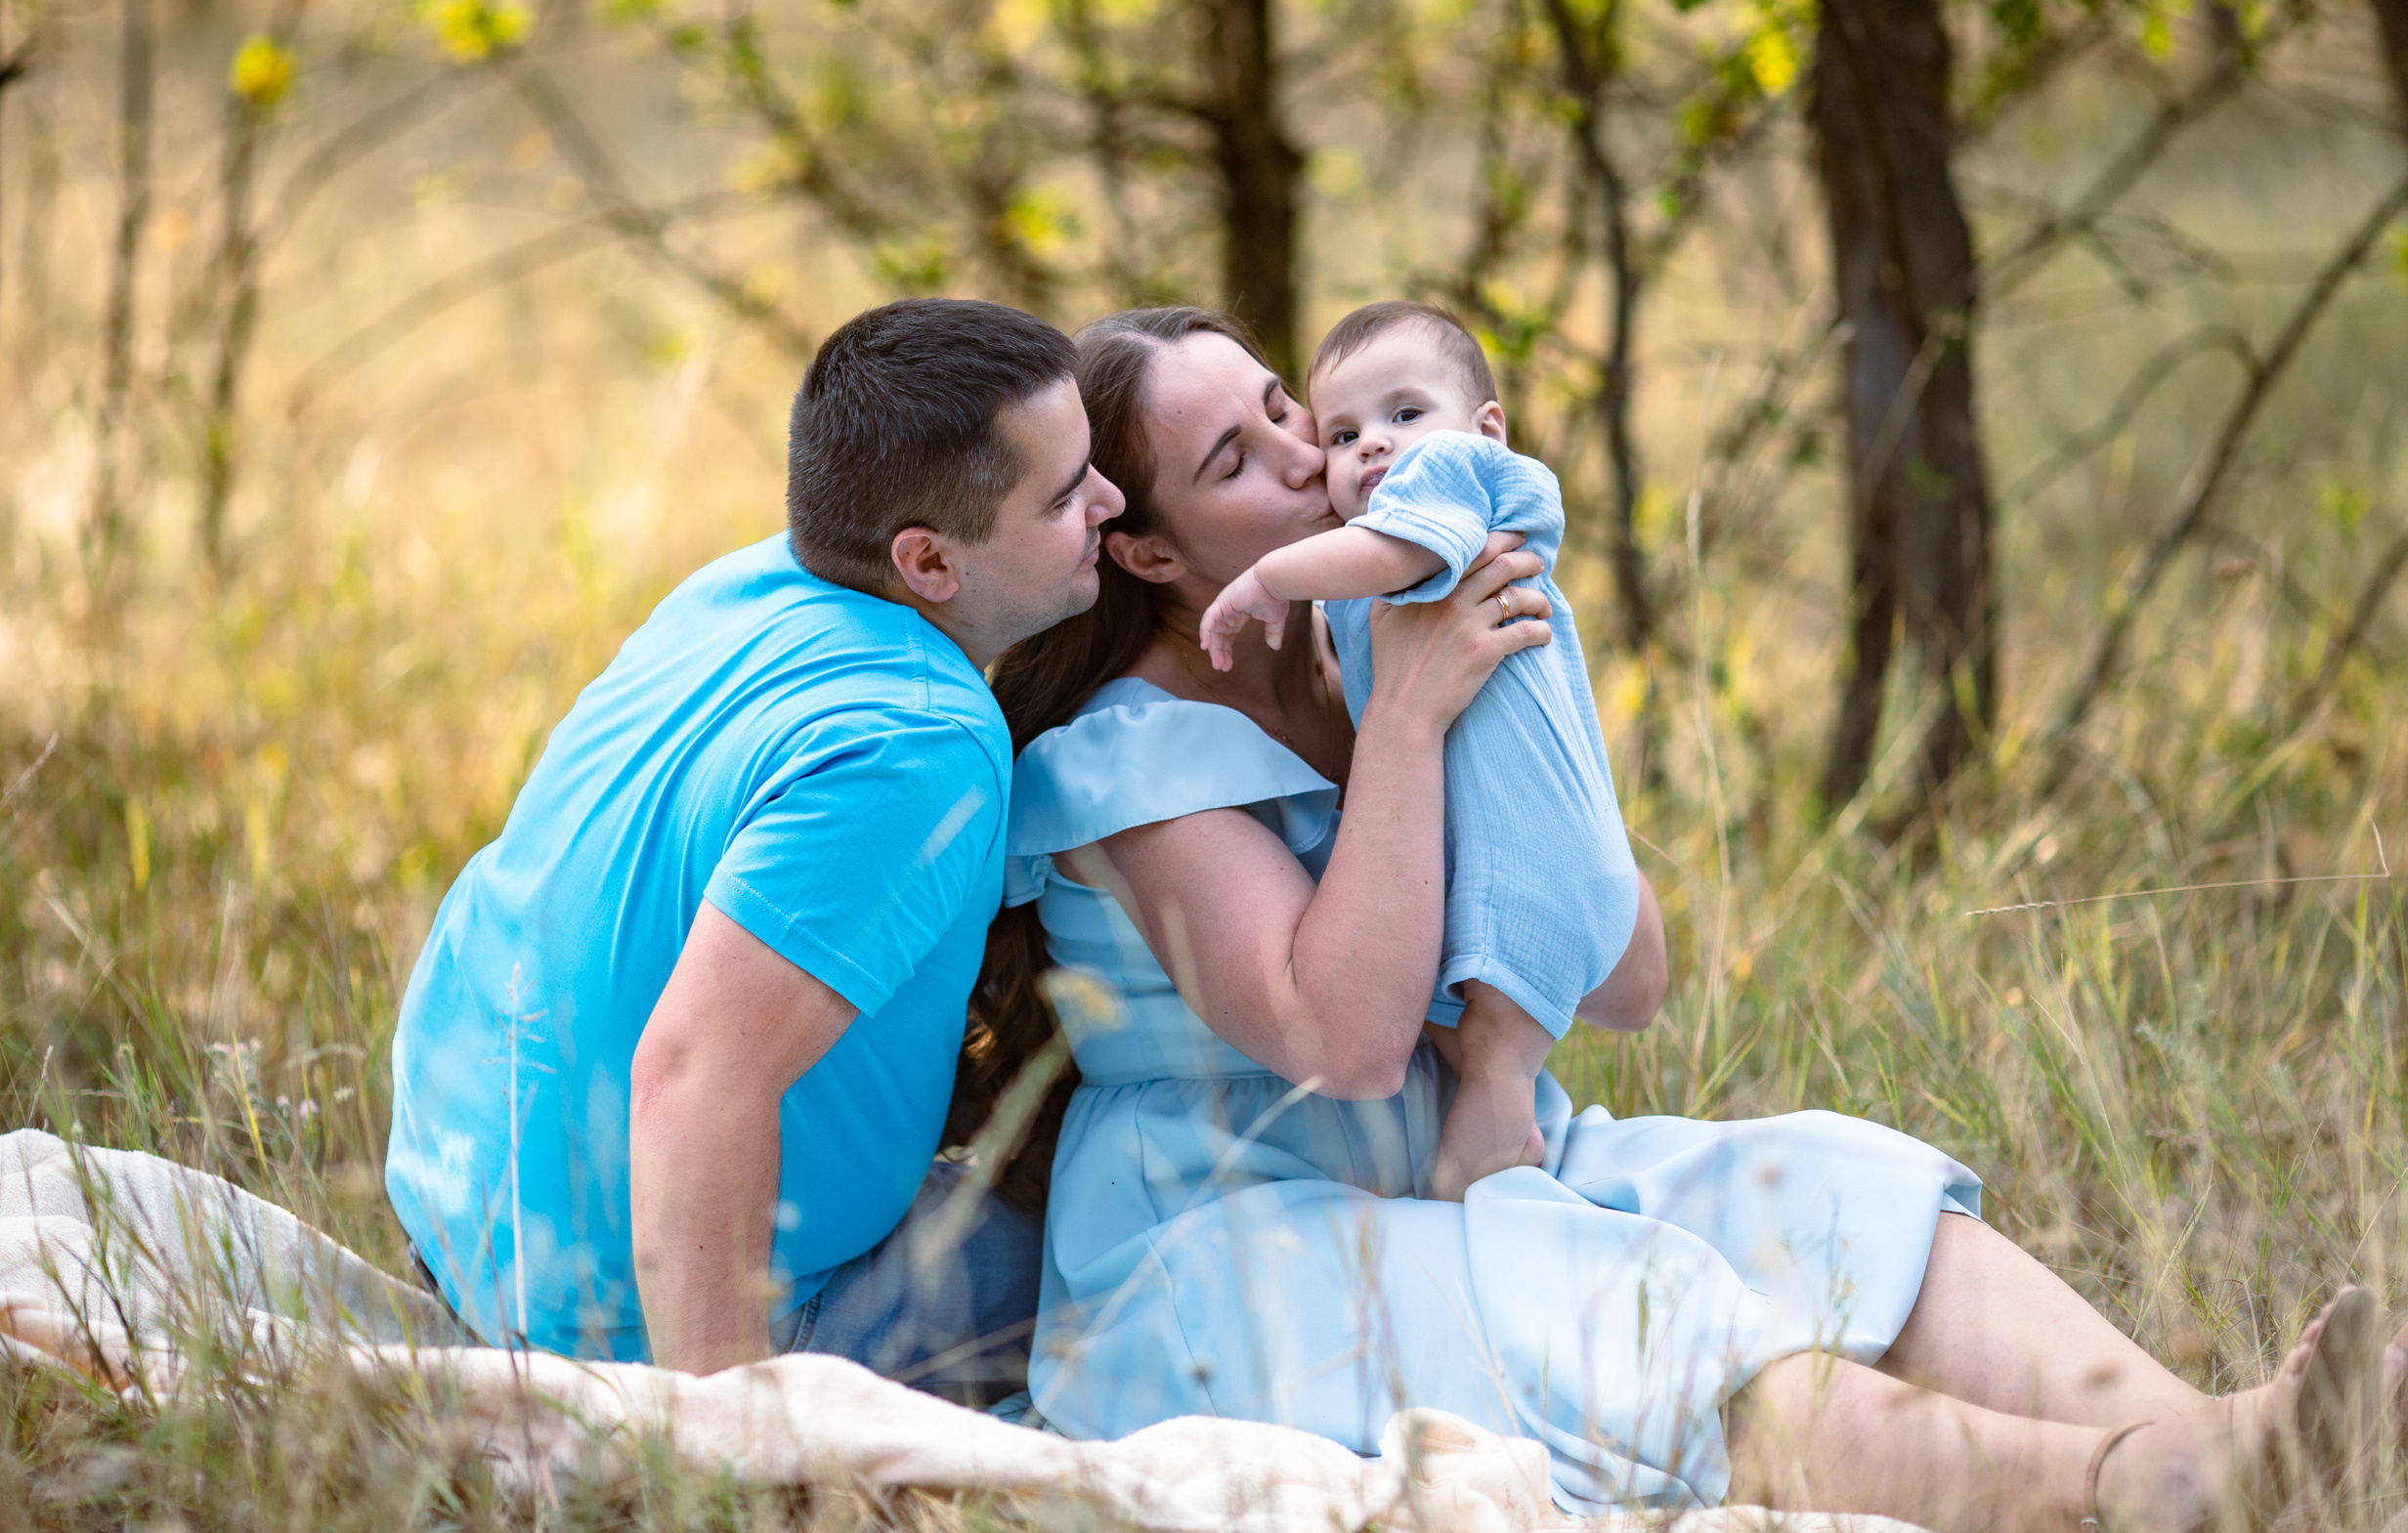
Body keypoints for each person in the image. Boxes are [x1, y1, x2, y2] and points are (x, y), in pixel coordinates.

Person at [973, 303, 2399, 1530]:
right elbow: (1342, 1041)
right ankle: (2136, 1487)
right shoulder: (1131, 761)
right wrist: (1411, 724)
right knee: (1629, 1301)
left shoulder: (1361, 639)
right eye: (1238, 460)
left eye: (1286, 407)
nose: (1311, 455)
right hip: (1231, 1244)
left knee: (1823, 1182)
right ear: (1153, 556)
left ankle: (2236, 1439)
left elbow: (1631, 974)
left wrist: (1512, 732)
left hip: (1457, 1160)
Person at [383, 297, 1125, 1397]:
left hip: (461, 1226)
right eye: (1065, 496)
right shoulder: (918, 740)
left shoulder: (741, 589)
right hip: (620, 1328)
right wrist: (716, 1448)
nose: (1110, 501)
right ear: (926, 562)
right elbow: (692, 1076)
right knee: (1128, 1265)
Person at [1197, 299, 1635, 1199]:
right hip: (1545, 854)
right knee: (1476, 1041)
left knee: (1495, 1056)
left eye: (1405, 413)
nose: (1372, 447)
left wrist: (1265, 577)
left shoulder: (1455, 476)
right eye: (1345, 430)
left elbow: (1389, 556)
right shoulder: (1388, 552)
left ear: (1487, 425)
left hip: (1541, 860)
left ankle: (1474, 1203)